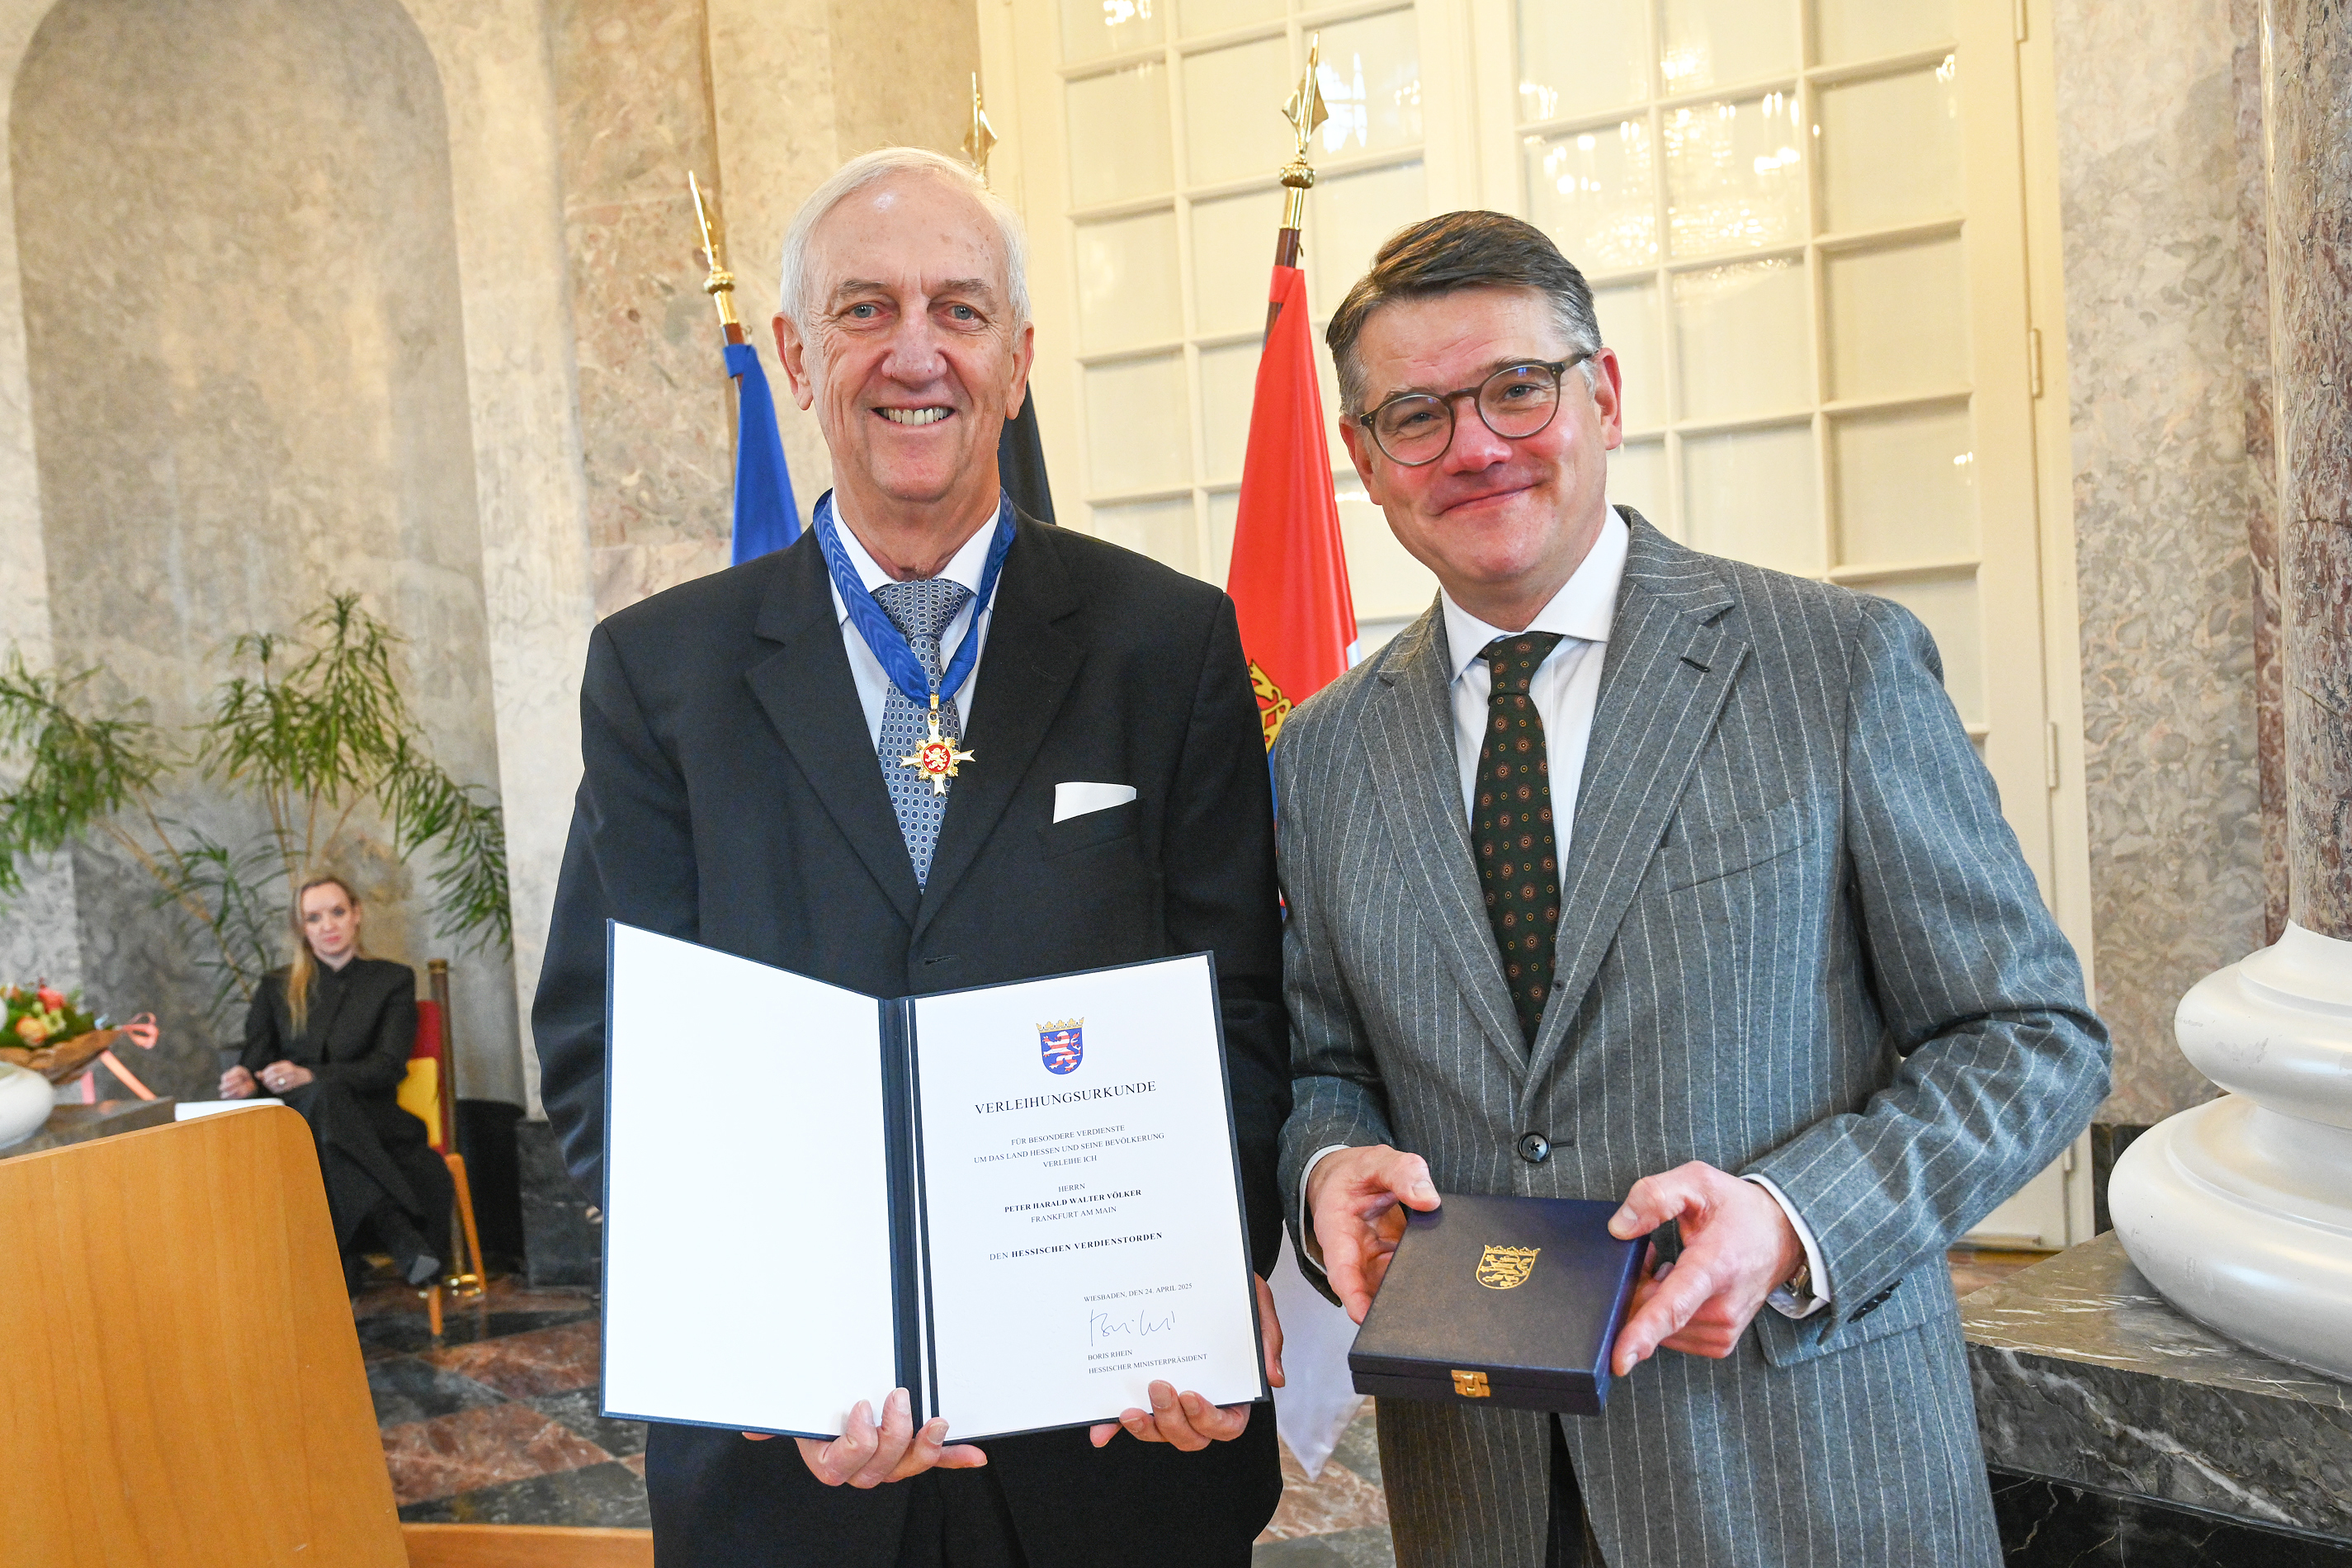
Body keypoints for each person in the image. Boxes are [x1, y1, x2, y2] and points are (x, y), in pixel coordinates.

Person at [1276, 210, 2110, 1568]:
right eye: (1415, 416)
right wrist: (1325, 1169)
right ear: (1364, 462)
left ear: (1603, 395)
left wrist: (1792, 1221)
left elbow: (2030, 1037)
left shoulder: (1834, 666)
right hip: (1482, 1488)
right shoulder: (1320, 753)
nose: (1474, 446)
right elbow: (1326, 1062)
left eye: (1516, 388)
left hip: (1800, 1472)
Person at [531, 146, 1289, 1568]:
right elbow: (604, 1042)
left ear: (1018, 359)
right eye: (865, 309)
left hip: (1117, 1446)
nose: (915, 353)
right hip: (790, 1467)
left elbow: (1240, 1002)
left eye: (959, 308)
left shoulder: (1167, 642)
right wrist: (761, 1347)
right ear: (793, 355)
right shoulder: (661, 674)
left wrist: (1197, 1274)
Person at [224, 874, 449, 1292]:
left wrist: (313, 1075)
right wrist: (243, 1080)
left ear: (356, 914)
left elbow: (388, 1067)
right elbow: (254, 1064)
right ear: (301, 927)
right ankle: (397, 1231)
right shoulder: (275, 987)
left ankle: (342, 1269)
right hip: (297, 1124)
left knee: (323, 1098)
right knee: (318, 1111)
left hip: (374, 1117)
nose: (327, 925)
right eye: (314, 918)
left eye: (337, 912)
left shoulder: (392, 980)